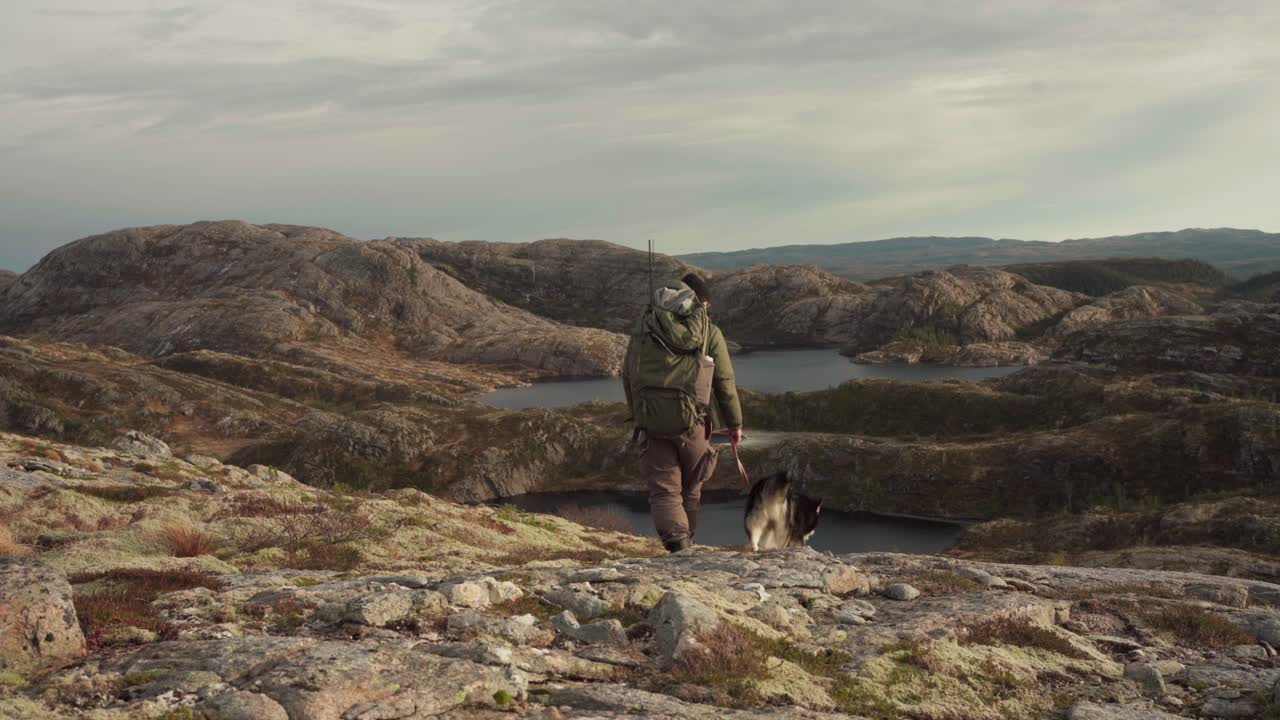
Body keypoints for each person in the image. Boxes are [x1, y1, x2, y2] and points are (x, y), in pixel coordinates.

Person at [622, 272, 743, 552]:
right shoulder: (708, 332)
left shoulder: (644, 328)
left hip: (652, 423)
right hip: (694, 423)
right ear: (700, 303)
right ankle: (687, 548)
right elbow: (724, 382)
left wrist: (637, 414)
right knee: (691, 490)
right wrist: (734, 423)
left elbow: (628, 376)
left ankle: (679, 549)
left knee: (665, 492)